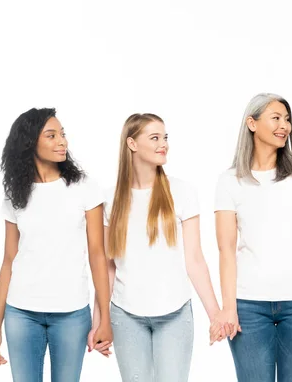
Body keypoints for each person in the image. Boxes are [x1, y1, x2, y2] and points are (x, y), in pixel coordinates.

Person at [213, 93, 292, 381]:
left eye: (287, 119)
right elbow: (226, 250)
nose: (285, 125)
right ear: (252, 123)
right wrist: (228, 308)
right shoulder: (229, 180)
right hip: (248, 305)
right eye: (276, 118)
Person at [91, 113, 226, 381]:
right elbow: (106, 268)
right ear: (131, 143)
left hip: (174, 314)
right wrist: (99, 322)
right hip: (125, 315)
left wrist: (216, 314)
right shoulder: (108, 199)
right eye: (154, 138)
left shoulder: (182, 192)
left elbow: (195, 260)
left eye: (165, 137)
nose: (163, 144)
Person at [0, 108, 113, 382]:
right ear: (31, 142)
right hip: (21, 313)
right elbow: (9, 260)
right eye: (52, 135)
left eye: (63, 134)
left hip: (71, 315)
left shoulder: (84, 188)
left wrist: (105, 318)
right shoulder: (15, 195)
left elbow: (98, 256)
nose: (62, 141)